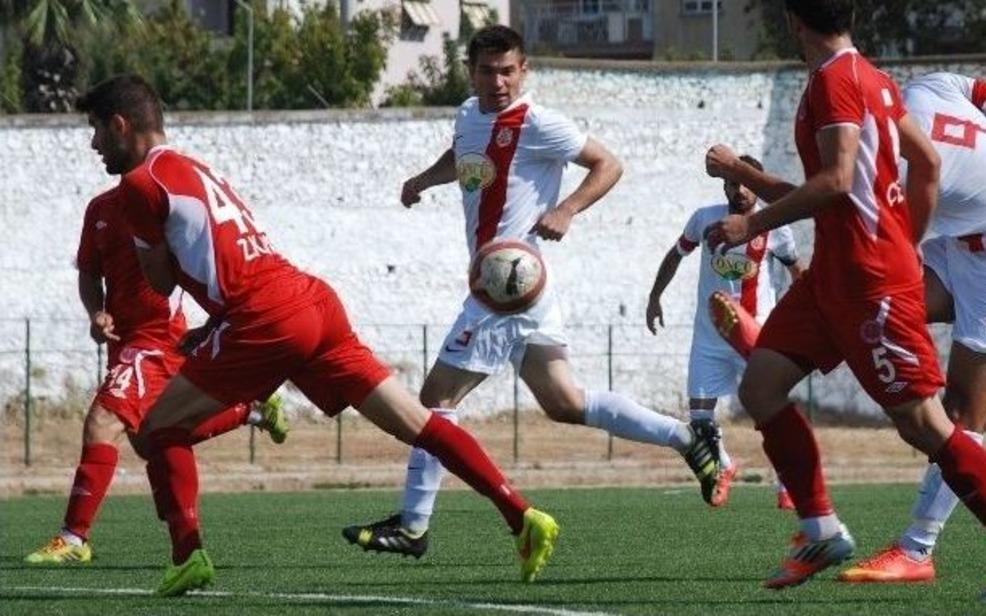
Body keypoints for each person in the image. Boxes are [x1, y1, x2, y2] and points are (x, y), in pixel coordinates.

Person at [74, 73, 559, 596]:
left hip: (263, 316)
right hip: (311, 300)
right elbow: (231, 254)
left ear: (122, 125)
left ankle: (187, 555)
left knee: (152, 431)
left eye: (98, 131)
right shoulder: (193, 168)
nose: (95, 144)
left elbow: (162, 282)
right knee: (415, 422)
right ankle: (521, 514)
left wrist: (175, 276)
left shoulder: (138, 187)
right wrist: (215, 322)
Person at [702, 0, 986, 600]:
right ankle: (820, 528)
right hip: (836, 275)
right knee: (760, 385)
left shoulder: (839, 80)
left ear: (793, 22)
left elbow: (836, 182)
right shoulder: (877, 82)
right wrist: (899, 231)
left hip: (868, 282)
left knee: (922, 424)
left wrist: (752, 224)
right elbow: (927, 164)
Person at [343, 25, 722, 559]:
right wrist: (423, 181)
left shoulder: (539, 123)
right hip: (520, 287)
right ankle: (687, 439)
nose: (497, 82)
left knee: (435, 401)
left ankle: (412, 524)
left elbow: (608, 164)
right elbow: (464, 158)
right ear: (470, 71)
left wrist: (566, 209)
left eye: (507, 71)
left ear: (524, 72)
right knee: (565, 401)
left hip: (505, 287)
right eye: (486, 71)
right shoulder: (469, 115)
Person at [838, 72, 986, 585]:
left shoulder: (893, 160)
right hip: (963, 252)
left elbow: (839, 203)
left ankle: (921, 549)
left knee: (961, 418)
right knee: (865, 312)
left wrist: (764, 200)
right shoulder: (934, 83)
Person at [24, 183, 288, 565]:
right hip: (124, 341)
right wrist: (96, 313)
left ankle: (73, 537)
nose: (96, 145)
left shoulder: (165, 206)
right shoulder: (100, 208)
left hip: (157, 337)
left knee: (103, 421)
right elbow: (88, 273)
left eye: (100, 132)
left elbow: (205, 263)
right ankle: (250, 410)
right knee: (148, 439)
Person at [646, 154, 803, 508]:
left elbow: (797, 271)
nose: (741, 190)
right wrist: (655, 296)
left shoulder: (776, 226)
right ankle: (726, 467)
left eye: (747, 183)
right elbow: (676, 254)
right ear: (725, 186)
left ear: (758, 185)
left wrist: (802, 313)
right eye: (733, 183)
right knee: (700, 419)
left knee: (771, 411)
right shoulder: (705, 219)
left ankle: (787, 485)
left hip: (756, 336)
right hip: (710, 335)